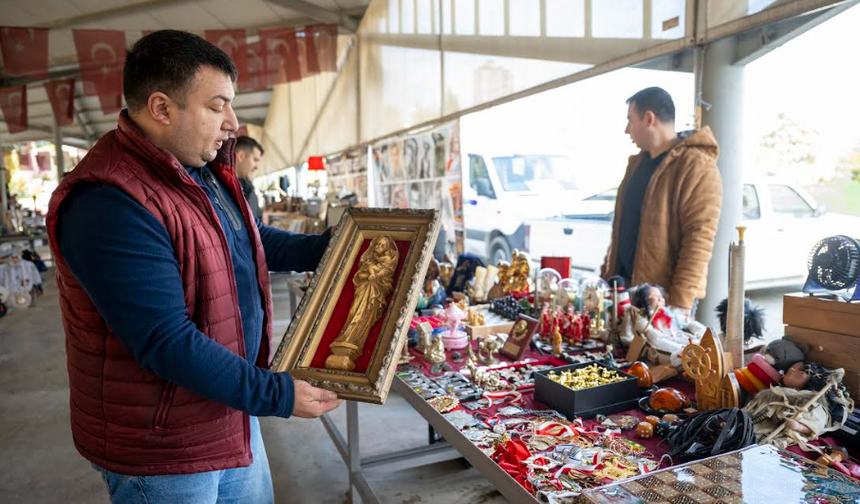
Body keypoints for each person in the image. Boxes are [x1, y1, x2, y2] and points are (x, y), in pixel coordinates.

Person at [46, 30, 341, 504]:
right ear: (161, 108)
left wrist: (334, 248)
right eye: (217, 105)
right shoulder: (108, 201)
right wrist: (277, 394)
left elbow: (248, 242)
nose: (233, 123)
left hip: (226, 407)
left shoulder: (195, 170)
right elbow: (165, 341)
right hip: (164, 447)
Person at [601, 87, 722, 322]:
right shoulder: (636, 164)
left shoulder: (697, 166)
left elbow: (699, 238)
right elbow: (623, 226)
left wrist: (681, 303)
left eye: (630, 120)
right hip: (623, 291)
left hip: (664, 299)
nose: (627, 130)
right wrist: (607, 273)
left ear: (649, 119)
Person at [235, 135, 264, 220]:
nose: (257, 167)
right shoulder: (219, 188)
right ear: (241, 156)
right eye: (255, 160)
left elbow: (258, 225)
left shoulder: (250, 189)